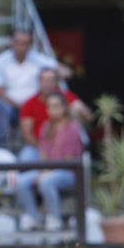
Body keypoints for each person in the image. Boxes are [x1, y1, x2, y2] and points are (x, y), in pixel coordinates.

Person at [15, 92, 85, 232]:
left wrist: (47, 172)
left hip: (69, 172)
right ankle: (34, 217)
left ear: (64, 107)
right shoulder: (46, 126)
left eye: (55, 106)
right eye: (49, 106)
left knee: (46, 181)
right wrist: (42, 170)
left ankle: (55, 218)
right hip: (49, 169)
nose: (52, 109)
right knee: (21, 181)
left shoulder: (73, 127)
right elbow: (43, 154)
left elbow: (69, 159)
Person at [18, 66, 92, 157]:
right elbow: (27, 134)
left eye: (50, 80)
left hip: (64, 148)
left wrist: (80, 110)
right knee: (26, 156)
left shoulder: (66, 97)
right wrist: (45, 150)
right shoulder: (30, 104)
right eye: (44, 80)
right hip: (38, 147)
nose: (47, 84)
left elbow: (88, 116)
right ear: (39, 82)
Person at [0, 29, 63, 108]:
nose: (21, 47)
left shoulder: (38, 58)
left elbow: (61, 70)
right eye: (18, 42)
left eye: (25, 43)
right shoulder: (0, 61)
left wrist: (57, 76)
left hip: (36, 103)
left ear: (30, 45)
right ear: (11, 43)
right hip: (9, 105)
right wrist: (19, 106)